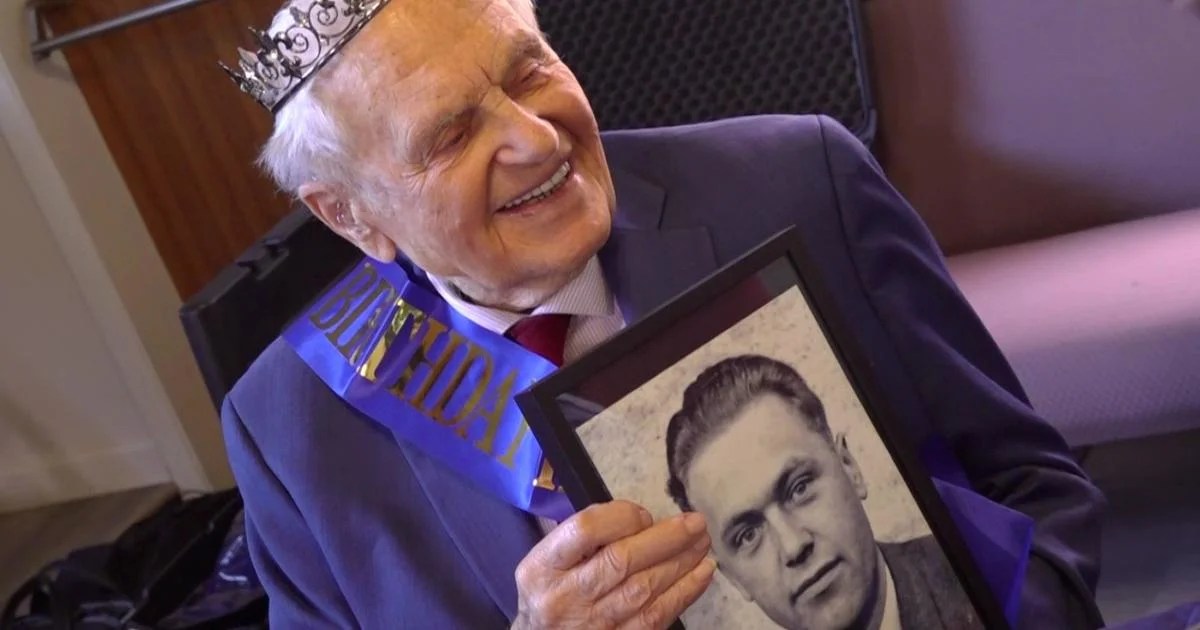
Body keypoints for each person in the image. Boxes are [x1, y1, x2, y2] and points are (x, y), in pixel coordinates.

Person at [218, 0, 1105, 627]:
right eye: (452, 135)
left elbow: (1033, 488)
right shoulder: (291, 428)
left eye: (529, 71)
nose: (537, 137)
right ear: (351, 216)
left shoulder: (802, 181)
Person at [665, 355, 979, 630]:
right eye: (747, 535)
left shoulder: (980, 570)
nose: (793, 546)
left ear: (849, 466)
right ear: (733, 578)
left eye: (799, 488)